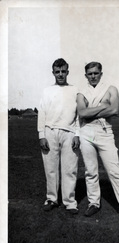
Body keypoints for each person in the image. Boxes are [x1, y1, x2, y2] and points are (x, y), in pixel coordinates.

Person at [77, 61, 119, 223]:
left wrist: (91, 111)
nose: (93, 76)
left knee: (115, 172)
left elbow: (114, 110)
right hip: (86, 133)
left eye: (96, 73)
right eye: (90, 74)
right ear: (86, 75)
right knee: (90, 171)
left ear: (101, 73)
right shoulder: (81, 92)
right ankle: (94, 203)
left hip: (105, 132)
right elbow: (81, 112)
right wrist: (102, 107)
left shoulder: (111, 89)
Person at [38, 58, 80, 214]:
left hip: (69, 132)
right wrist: (41, 135)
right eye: (57, 72)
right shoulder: (47, 91)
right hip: (50, 131)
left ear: (68, 72)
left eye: (63, 71)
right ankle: (51, 198)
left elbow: (79, 115)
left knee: (70, 169)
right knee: (50, 168)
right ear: (53, 73)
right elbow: (41, 112)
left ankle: (70, 202)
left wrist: (77, 133)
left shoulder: (75, 90)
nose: (60, 74)